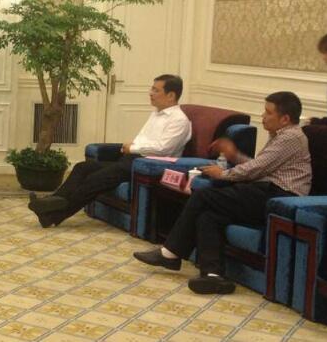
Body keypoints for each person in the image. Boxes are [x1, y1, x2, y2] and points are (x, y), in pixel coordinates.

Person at [133, 91, 311, 295]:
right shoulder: (281, 135)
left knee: (203, 196)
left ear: (285, 119)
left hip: (280, 198)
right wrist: (234, 155)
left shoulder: (291, 137)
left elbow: (256, 169)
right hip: (266, 191)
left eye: (268, 112)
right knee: (209, 215)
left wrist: (223, 174)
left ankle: (171, 253)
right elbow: (261, 167)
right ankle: (213, 275)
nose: (263, 116)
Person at [27, 74, 192, 228]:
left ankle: (53, 215)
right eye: (152, 89)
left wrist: (132, 147)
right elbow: (144, 140)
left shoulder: (179, 120)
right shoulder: (156, 114)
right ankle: (51, 203)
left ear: (171, 95)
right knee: (82, 167)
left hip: (149, 165)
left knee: (95, 179)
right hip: (132, 159)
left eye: (156, 90)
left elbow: (164, 148)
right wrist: (129, 147)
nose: (150, 93)